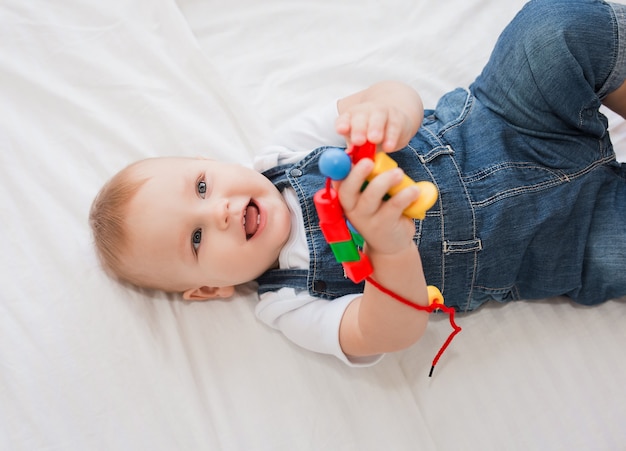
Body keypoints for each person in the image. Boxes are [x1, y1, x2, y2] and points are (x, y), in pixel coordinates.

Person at [90, 0, 626, 367]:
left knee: (555, 28)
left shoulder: (286, 151)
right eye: (198, 239)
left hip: (509, 118)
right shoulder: (290, 305)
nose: (221, 213)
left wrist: (390, 112)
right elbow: (390, 332)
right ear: (209, 290)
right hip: (560, 241)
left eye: (202, 188)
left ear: (209, 161)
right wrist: (389, 247)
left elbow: (389, 94)